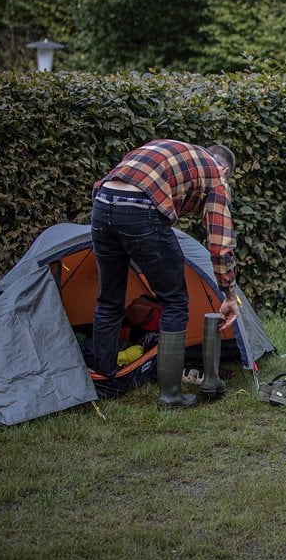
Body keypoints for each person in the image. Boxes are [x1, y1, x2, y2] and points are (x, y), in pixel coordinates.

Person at [90, 139, 240, 409]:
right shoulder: (218, 177)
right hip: (140, 208)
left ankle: (105, 382)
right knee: (174, 301)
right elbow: (220, 245)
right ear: (227, 171)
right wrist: (229, 292)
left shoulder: (170, 147)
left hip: (102, 202)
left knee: (110, 298)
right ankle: (171, 396)